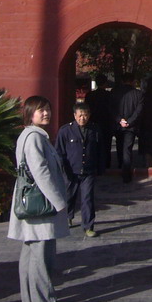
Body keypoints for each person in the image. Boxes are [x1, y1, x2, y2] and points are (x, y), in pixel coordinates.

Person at [7, 96, 70, 302]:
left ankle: (29, 300)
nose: (46, 113)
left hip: (32, 204)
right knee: (41, 256)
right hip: (40, 206)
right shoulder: (34, 137)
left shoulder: (31, 136)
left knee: (30, 253)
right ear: (29, 113)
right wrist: (59, 202)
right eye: (40, 110)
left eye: (47, 109)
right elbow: (40, 172)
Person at [56, 101, 101, 237]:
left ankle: (88, 226)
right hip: (71, 171)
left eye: (86, 115)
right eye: (80, 115)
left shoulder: (95, 129)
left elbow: (100, 150)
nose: (83, 118)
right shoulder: (65, 131)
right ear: (75, 115)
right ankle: (68, 217)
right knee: (69, 196)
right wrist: (61, 168)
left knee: (87, 198)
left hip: (88, 170)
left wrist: (100, 167)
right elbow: (59, 151)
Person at [111, 73, 143, 183]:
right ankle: (126, 174)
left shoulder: (114, 92)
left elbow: (111, 109)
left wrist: (120, 120)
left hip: (119, 125)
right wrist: (129, 122)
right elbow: (138, 111)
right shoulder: (138, 94)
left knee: (120, 147)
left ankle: (121, 167)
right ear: (133, 81)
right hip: (131, 127)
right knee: (127, 149)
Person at [85, 75, 113, 170]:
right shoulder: (109, 95)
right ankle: (106, 165)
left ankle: (95, 164)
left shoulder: (89, 95)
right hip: (106, 123)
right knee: (106, 145)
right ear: (105, 83)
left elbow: (87, 109)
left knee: (93, 144)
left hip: (93, 122)